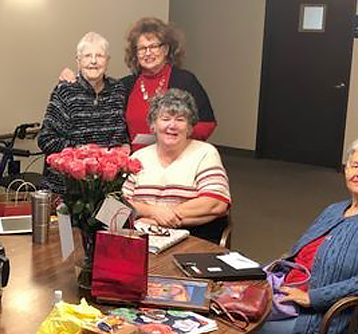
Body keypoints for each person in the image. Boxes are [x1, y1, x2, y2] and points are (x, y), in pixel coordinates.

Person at [209, 135, 358, 334]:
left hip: (332, 321)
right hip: (290, 296)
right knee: (222, 318)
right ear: (345, 169)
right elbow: (297, 254)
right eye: (355, 165)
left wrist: (313, 297)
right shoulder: (335, 209)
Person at [59, 17, 216, 151]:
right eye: (142, 48)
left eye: (154, 46)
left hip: (175, 159)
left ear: (166, 49)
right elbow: (96, 88)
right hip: (135, 164)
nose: (148, 53)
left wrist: (172, 137)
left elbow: (207, 124)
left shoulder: (185, 80)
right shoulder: (125, 85)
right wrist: (73, 77)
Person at [121, 89, 229, 244]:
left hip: (193, 238)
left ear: (190, 127)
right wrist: (154, 212)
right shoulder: (138, 157)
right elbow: (119, 203)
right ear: (153, 125)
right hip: (140, 237)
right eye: (165, 119)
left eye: (180, 120)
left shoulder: (205, 153)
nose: (172, 126)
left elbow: (215, 203)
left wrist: (159, 221)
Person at [39, 32, 129, 194]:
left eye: (99, 56)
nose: (93, 61)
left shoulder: (118, 90)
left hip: (107, 189)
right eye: (87, 56)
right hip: (68, 191)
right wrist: (85, 153)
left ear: (107, 60)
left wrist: (125, 146)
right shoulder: (65, 91)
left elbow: (122, 134)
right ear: (78, 61)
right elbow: (46, 140)